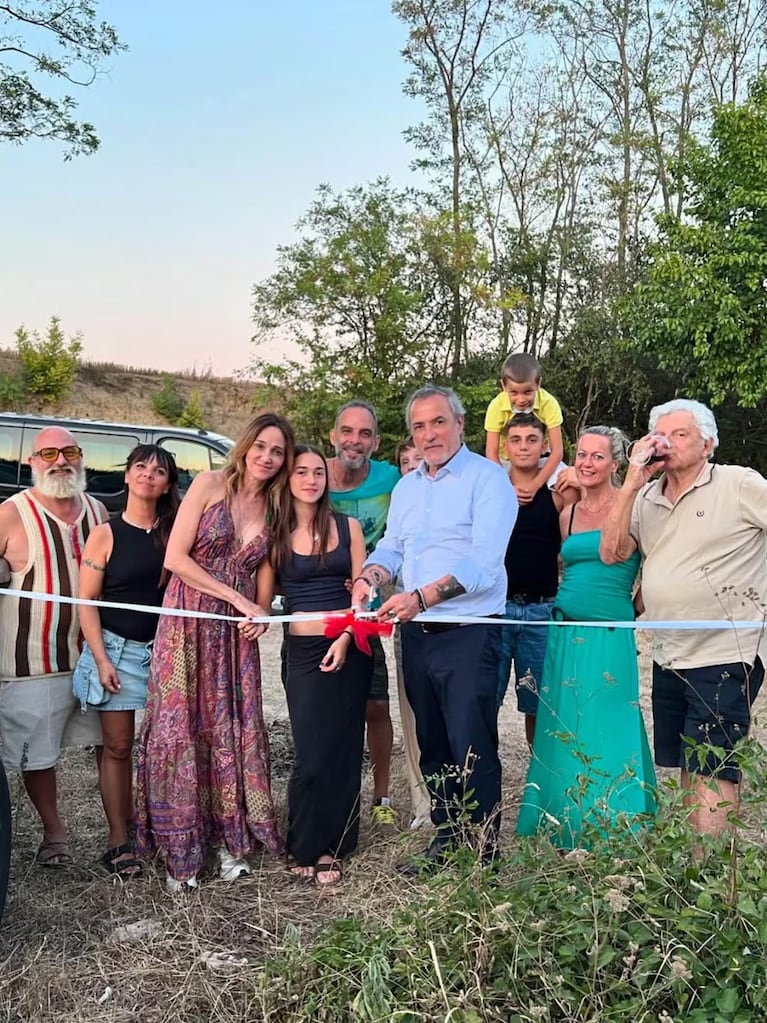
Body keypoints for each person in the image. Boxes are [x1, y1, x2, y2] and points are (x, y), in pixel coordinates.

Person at [351, 385, 517, 873]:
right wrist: (369, 578)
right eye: (419, 427)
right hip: (415, 635)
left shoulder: (489, 480)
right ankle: (447, 842)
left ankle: (483, 851)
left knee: (472, 742)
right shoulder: (408, 488)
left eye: (438, 422)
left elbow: (483, 564)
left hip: (468, 630)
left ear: (461, 424)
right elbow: (392, 549)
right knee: (433, 743)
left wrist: (421, 597)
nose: (429, 434)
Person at [135, 412, 295, 891]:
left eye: (278, 451)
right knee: (180, 725)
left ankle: (231, 843)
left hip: (234, 636)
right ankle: (180, 855)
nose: (267, 457)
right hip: (186, 621)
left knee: (230, 725)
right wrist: (237, 598)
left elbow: (265, 571)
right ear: (246, 446)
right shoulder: (208, 485)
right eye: (262, 446)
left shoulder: (275, 505)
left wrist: (259, 611)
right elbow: (176, 558)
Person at [600, 398, 767, 838]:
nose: (667, 443)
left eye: (680, 435)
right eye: (661, 435)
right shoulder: (646, 496)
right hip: (670, 651)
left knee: (714, 766)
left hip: (727, 649)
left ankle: (712, 878)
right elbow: (612, 552)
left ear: (707, 443)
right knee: (689, 767)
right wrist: (631, 483)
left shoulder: (737, 484)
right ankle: (695, 873)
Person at [517, 426, 656, 849]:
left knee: (610, 719)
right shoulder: (569, 514)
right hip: (565, 630)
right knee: (565, 721)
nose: (586, 463)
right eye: (581, 455)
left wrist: (629, 609)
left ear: (616, 463)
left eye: (598, 456)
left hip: (608, 632)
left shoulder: (635, 507)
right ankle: (563, 817)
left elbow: (650, 568)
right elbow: (571, 567)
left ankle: (614, 821)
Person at [0, 427, 107, 867]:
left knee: (115, 744)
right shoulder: (10, 514)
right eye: (48, 453)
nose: (60, 460)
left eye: (69, 452)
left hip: (97, 656)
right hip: (31, 660)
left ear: (81, 459)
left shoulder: (99, 511)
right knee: (35, 753)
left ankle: (121, 832)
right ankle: (54, 833)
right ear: (32, 463)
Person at [73, 445, 181, 877]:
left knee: (167, 749)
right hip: (117, 650)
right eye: (141, 467)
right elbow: (86, 602)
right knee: (118, 747)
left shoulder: (175, 533)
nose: (148, 475)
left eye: (159, 471)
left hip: (168, 653)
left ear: (169, 483)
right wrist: (100, 658)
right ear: (127, 475)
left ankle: (165, 828)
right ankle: (119, 841)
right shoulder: (105, 533)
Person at [271, 444, 372, 886]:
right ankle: (305, 841)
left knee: (345, 748)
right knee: (311, 752)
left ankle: (336, 844)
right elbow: (259, 599)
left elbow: (364, 595)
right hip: (305, 654)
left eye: (318, 472)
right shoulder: (275, 534)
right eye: (301, 472)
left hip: (351, 645)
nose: (311, 480)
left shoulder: (349, 528)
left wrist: (348, 635)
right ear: (288, 480)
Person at [327, 400, 401, 825]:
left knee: (375, 704)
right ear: (334, 436)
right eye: (348, 432)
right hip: (318, 607)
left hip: (368, 611)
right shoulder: (311, 474)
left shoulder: (391, 478)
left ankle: (382, 799)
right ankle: (330, 791)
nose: (355, 441)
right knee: (322, 706)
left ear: (375, 442)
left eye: (365, 434)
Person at [497, 414, 579, 745]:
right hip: (496, 611)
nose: (524, 447)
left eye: (532, 439)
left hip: (540, 612)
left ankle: (541, 781)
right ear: (505, 447)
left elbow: (578, 534)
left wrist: (573, 477)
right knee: (485, 700)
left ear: (545, 445)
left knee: (540, 707)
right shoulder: (493, 493)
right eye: (515, 440)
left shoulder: (558, 495)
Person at [392, 436, 431, 829]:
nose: (416, 465)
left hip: (456, 624)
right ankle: (424, 802)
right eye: (408, 462)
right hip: (407, 623)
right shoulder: (402, 506)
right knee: (413, 713)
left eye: (421, 459)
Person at [484, 353, 565, 503]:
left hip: (541, 459)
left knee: (568, 485)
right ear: (503, 386)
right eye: (513, 392)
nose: (521, 399)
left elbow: (557, 451)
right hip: (505, 462)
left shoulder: (549, 403)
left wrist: (536, 484)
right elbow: (491, 453)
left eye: (528, 392)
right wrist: (506, 486)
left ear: (538, 384)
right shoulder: (496, 406)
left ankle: (573, 523)